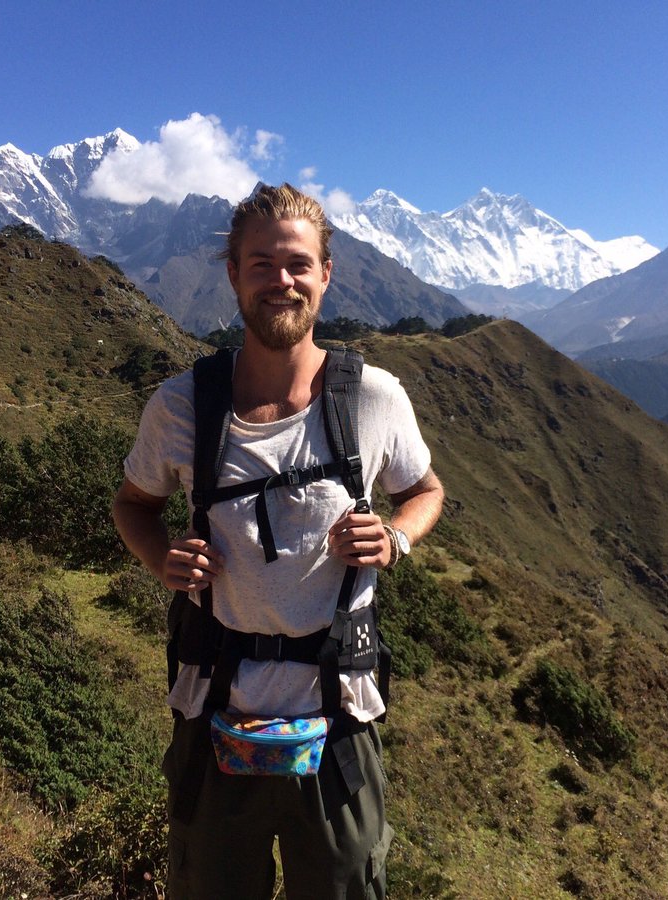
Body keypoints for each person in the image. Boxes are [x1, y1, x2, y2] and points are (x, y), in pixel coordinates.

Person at [112, 183, 443, 899]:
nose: (281, 281)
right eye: (261, 264)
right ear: (232, 274)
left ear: (327, 273)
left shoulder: (374, 400)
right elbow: (134, 505)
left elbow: (425, 492)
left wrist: (394, 538)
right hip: (214, 709)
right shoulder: (181, 407)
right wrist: (157, 556)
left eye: (297, 264)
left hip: (340, 716)